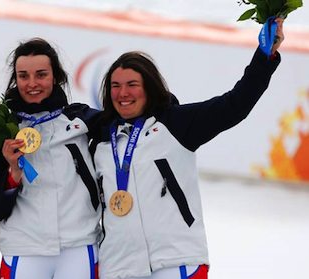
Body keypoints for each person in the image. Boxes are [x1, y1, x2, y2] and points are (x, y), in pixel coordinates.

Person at [91, 19, 284, 279]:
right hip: (118, 268)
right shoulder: (99, 140)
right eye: (115, 86)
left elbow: (235, 104)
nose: (123, 93)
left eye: (132, 85)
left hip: (177, 262)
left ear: (149, 88)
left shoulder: (176, 124)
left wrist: (264, 57)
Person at [0, 38, 102, 279]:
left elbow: (131, 116)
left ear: (55, 77)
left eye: (41, 74)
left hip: (78, 248)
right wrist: (13, 173)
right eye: (23, 76)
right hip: (24, 251)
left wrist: (164, 101)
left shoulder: (82, 120)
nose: (32, 83)